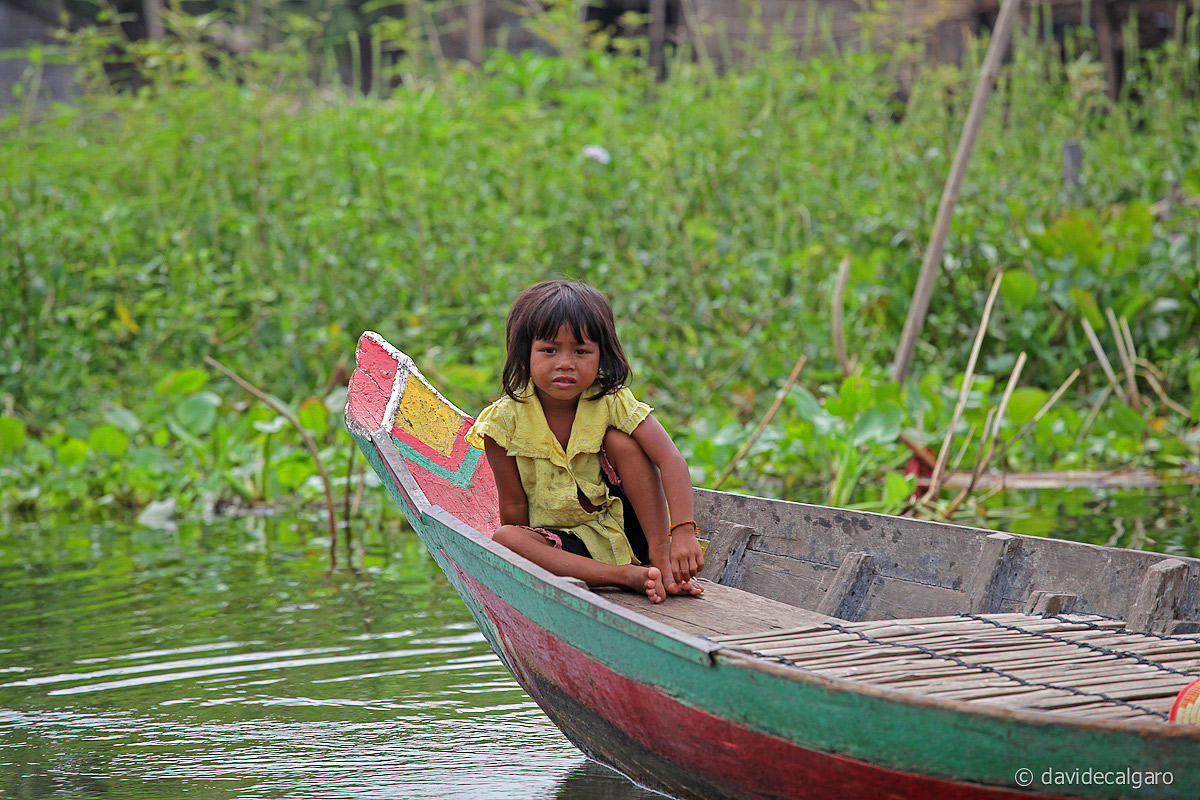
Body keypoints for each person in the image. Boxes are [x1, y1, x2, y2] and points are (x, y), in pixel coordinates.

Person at [465, 280, 704, 604]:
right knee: (507, 537)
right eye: (549, 350)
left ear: (601, 355)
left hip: (623, 530)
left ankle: (660, 564)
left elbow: (670, 459)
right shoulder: (502, 422)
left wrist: (683, 531)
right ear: (526, 353)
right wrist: (527, 560)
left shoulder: (611, 401)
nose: (566, 363)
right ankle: (624, 577)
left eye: (581, 351)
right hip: (561, 546)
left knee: (623, 442)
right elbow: (513, 505)